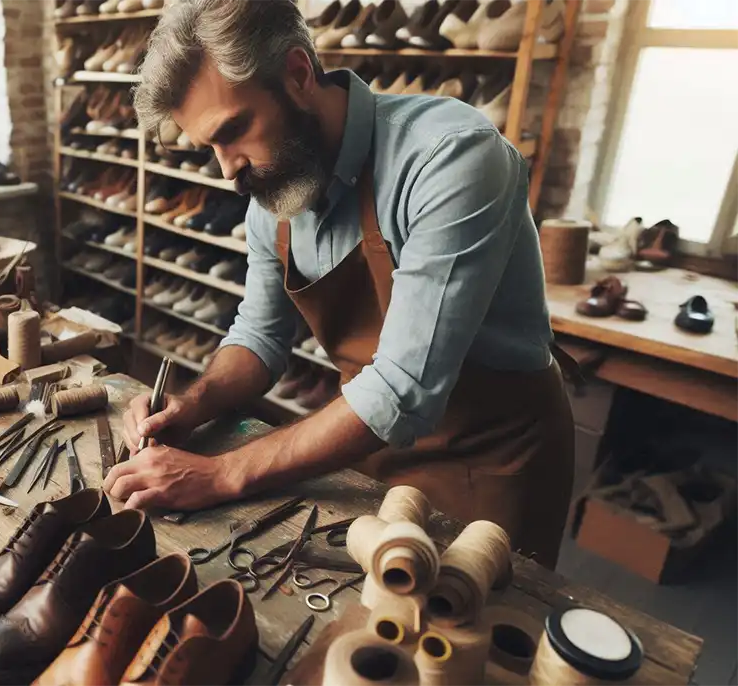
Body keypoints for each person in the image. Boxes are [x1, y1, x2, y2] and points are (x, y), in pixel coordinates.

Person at [105, 0, 574, 567]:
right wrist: (192, 404)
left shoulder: (450, 157)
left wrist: (223, 473)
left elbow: (401, 389)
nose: (228, 170)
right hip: (369, 440)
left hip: (492, 457)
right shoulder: (275, 193)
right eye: (211, 148)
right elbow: (257, 339)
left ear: (299, 75)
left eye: (234, 131)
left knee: (469, 629)